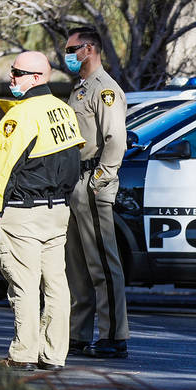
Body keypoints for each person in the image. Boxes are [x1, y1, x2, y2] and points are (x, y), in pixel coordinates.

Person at [0, 51, 83, 371]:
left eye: (18, 72)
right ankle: (54, 355)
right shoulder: (64, 110)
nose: (11, 77)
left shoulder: (21, 115)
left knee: (24, 285)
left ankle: (23, 353)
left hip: (23, 212)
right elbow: (74, 162)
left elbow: (1, 167)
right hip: (57, 211)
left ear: (37, 78)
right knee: (56, 284)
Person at [63, 26, 130, 359]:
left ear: (88, 49)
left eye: (71, 48)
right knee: (78, 265)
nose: (68, 54)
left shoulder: (105, 90)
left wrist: (99, 180)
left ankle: (114, 335)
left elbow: (115, 139)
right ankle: (78, 334)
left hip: (93, 182)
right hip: (76, 182)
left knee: (103, 264)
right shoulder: (81, 90)